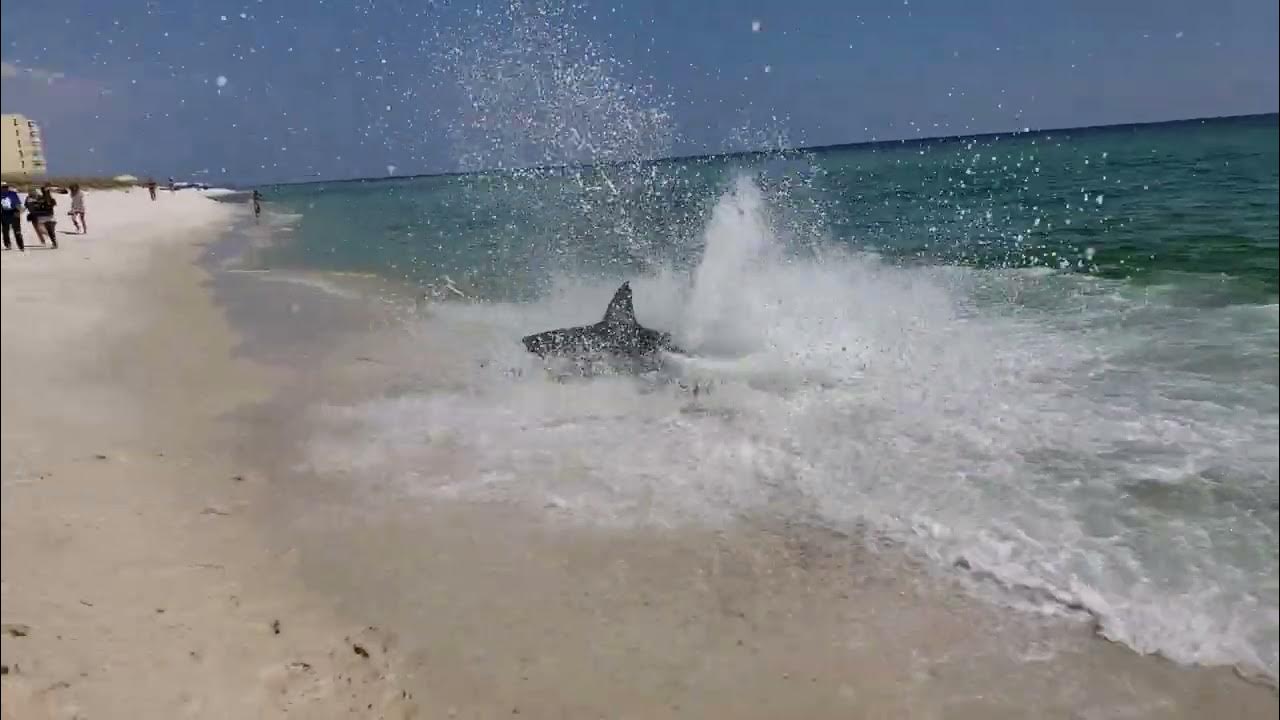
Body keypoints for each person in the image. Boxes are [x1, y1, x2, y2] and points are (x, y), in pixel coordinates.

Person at [1, 181, 24, 251]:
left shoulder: (13, 194)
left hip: (14, 213)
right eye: (3, 187)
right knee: (5, 231)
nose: (5, 188)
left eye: (6, 187)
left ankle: (21, 245)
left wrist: (20, 210)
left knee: (17, 230)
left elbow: (18, 203)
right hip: (4, 213)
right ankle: (8, 245)